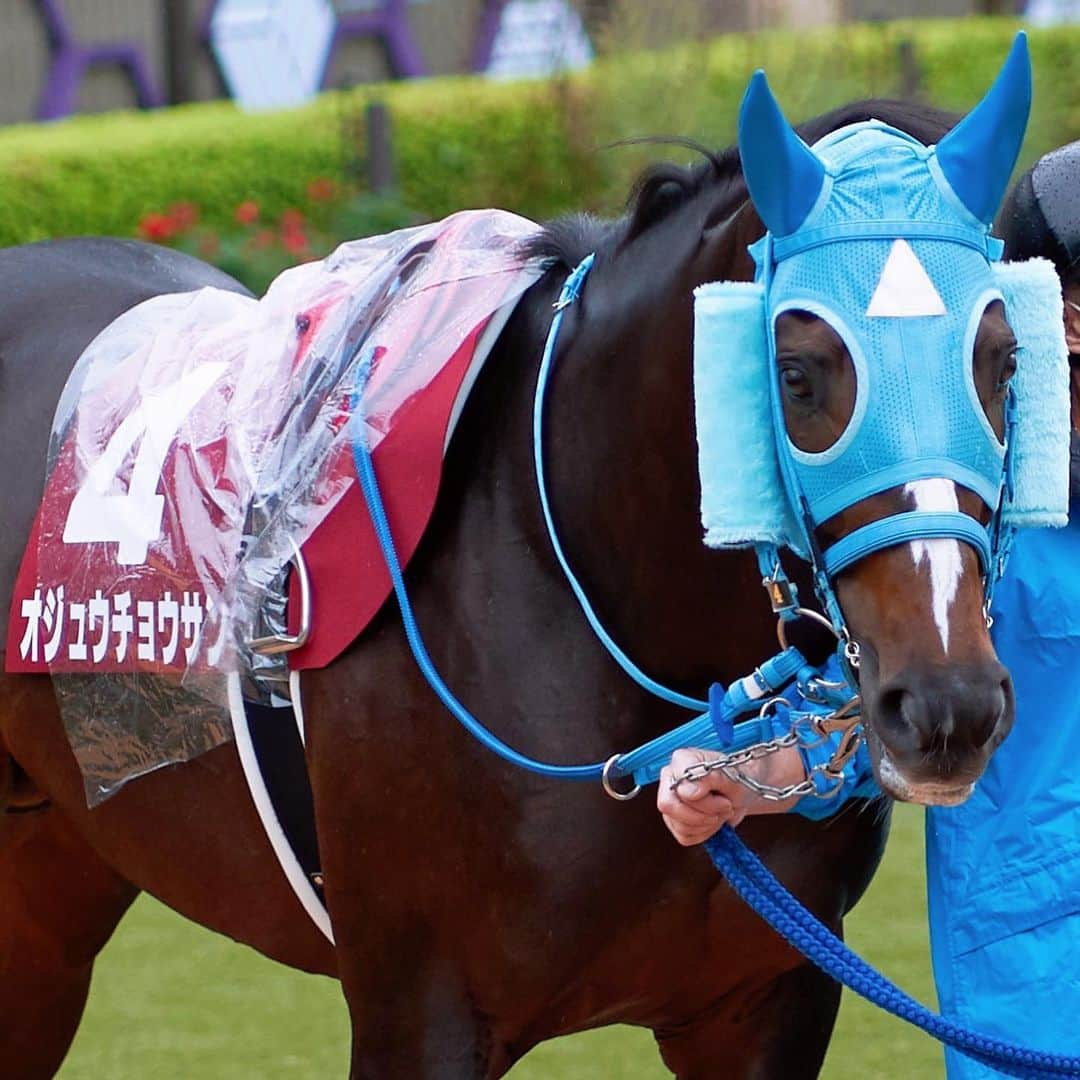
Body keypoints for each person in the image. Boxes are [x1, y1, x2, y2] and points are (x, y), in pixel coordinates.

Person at [657, 140, 1080, 1075]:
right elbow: (862, 717)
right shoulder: (976, 541)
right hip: (1042, 987)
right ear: (1065, 328)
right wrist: (749, 775)